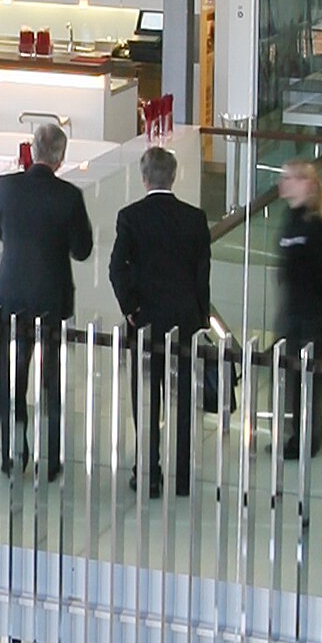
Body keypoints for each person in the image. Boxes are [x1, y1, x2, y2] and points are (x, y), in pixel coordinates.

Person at [108, 139, 215, 496]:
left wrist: (132, 308)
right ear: (174, 177)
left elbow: (116, 269)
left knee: (147, 397)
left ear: (143, 177)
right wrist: (201, 319)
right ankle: (182, 475)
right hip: (184, 318)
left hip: (147, 321)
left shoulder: (130, 217)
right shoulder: (195, 219)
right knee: (185, 396)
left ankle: (148, 472)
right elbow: (203, 275)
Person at [0, 115, 92, 470]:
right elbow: (82, 249)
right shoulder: (69, 197)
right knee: (51, 378)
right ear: (61, 159)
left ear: (31, 152)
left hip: (10, 291)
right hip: (51, 296)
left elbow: (1, 230)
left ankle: (7, 451)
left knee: (9, 374)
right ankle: (51, 458)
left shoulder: (5, 186)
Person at [276, 156, 322, 461]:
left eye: (290, 177)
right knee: (294, 378)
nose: (283, 183)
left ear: (306, 184)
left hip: (311, 314)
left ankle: (308, 438)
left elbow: (321, 276)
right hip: (295, 313)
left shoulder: (313, 227)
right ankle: (297, 435)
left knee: (309, 380)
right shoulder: (291, 220)